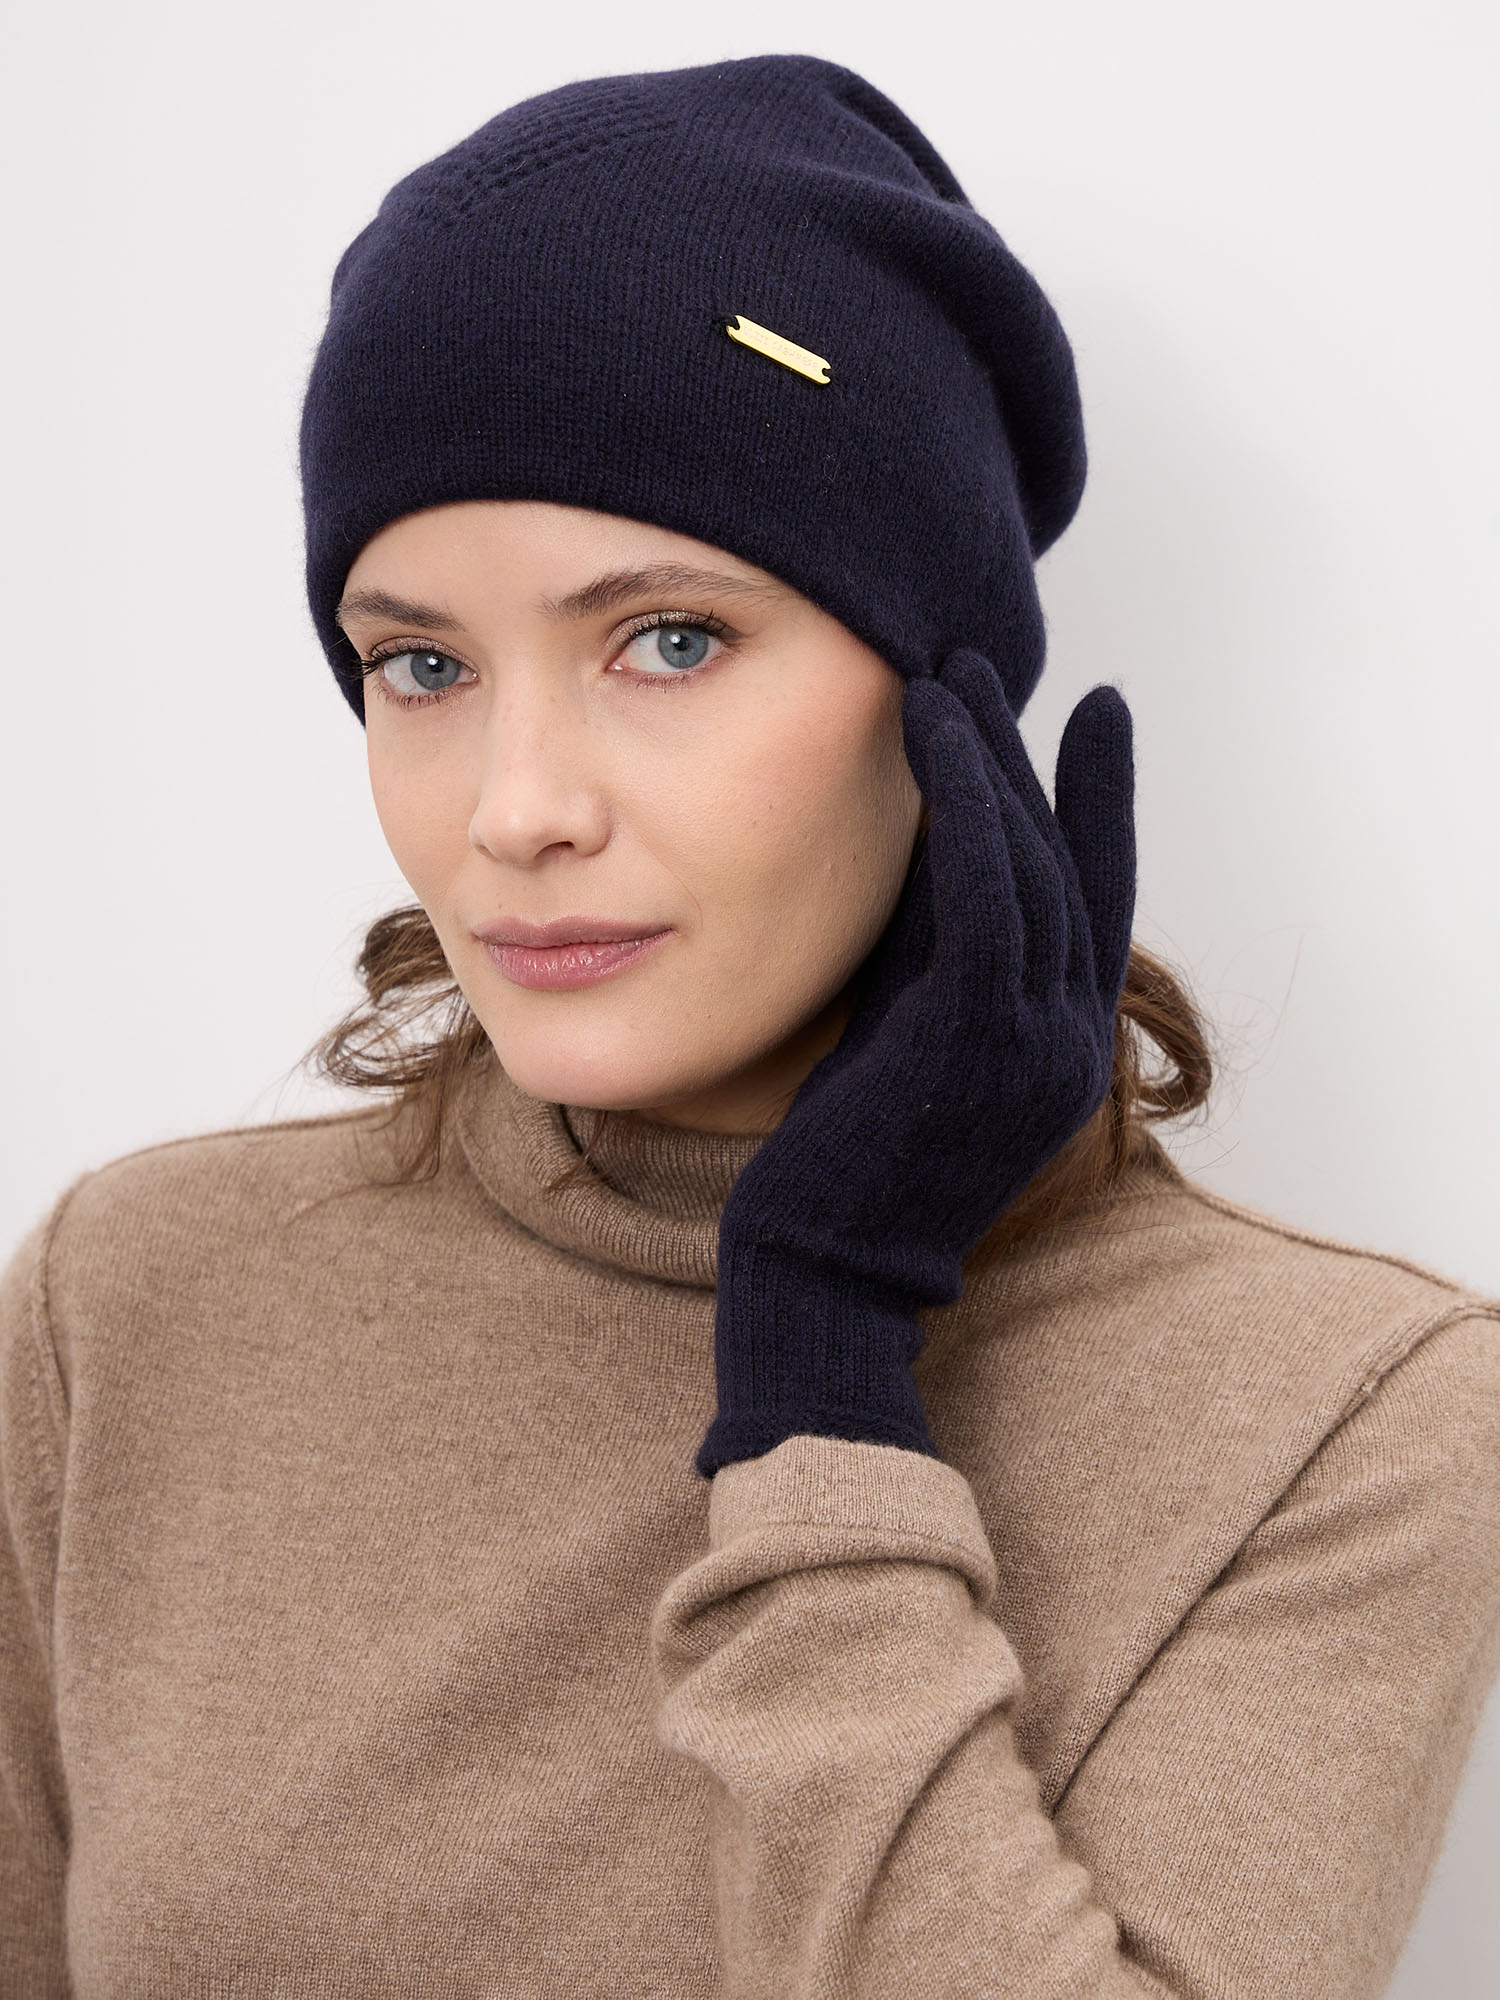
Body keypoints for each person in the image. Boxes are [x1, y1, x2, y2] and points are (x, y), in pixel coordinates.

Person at [1, 51, 1496, 2000]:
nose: (516, 808)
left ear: (945, 696)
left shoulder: (1351, 1414)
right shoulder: (135, 1301)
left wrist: (822, 1361)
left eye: (671, 638)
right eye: (421, 664)